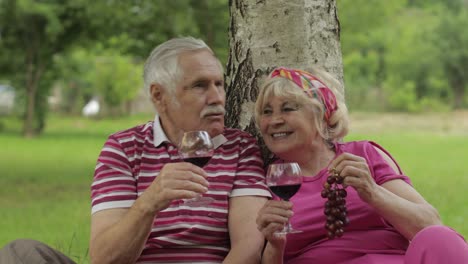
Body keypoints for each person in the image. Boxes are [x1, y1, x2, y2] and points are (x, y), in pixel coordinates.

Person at [0, 36, 271, 264]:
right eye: (200, 85)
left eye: (219, 84)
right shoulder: (123, 148)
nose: (217, 97)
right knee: (21, 253)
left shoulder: (240, 147)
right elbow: (105, 257)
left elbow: (248, 247)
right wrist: (150, 202)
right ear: (158, 96)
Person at [254, 67, 468, 264]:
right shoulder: (267, 181)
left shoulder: (364, 155)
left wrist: (373, 192)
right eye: (266, 112)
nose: (274, 120)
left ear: (322, 114)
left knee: (439, 238)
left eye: (287, 109)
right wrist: (275, 245)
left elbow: (429, 224)